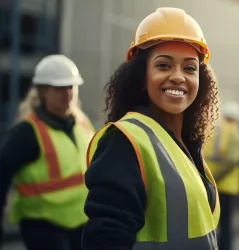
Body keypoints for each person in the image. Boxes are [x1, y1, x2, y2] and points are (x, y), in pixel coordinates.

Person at [81, 7, 221, 250]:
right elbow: (105, 239)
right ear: (141, 77)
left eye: (189, 68)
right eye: (164, 65)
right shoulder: (124, 141)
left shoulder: (187, 145)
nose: (178, 77)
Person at [0, 54, 95, 250]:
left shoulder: (82, 123)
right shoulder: (26, 133)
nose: (68, 93)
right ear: (42, 91)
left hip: (82, 220)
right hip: (43, 225)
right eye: (60, 88)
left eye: (71, 86)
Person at [203, 102, 239, 250]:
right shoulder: (236, 133)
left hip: (207, 183)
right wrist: (216, 178)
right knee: (226, 224)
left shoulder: (213, 128)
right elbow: (232, 161)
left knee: (208, 223)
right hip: (227, 187)